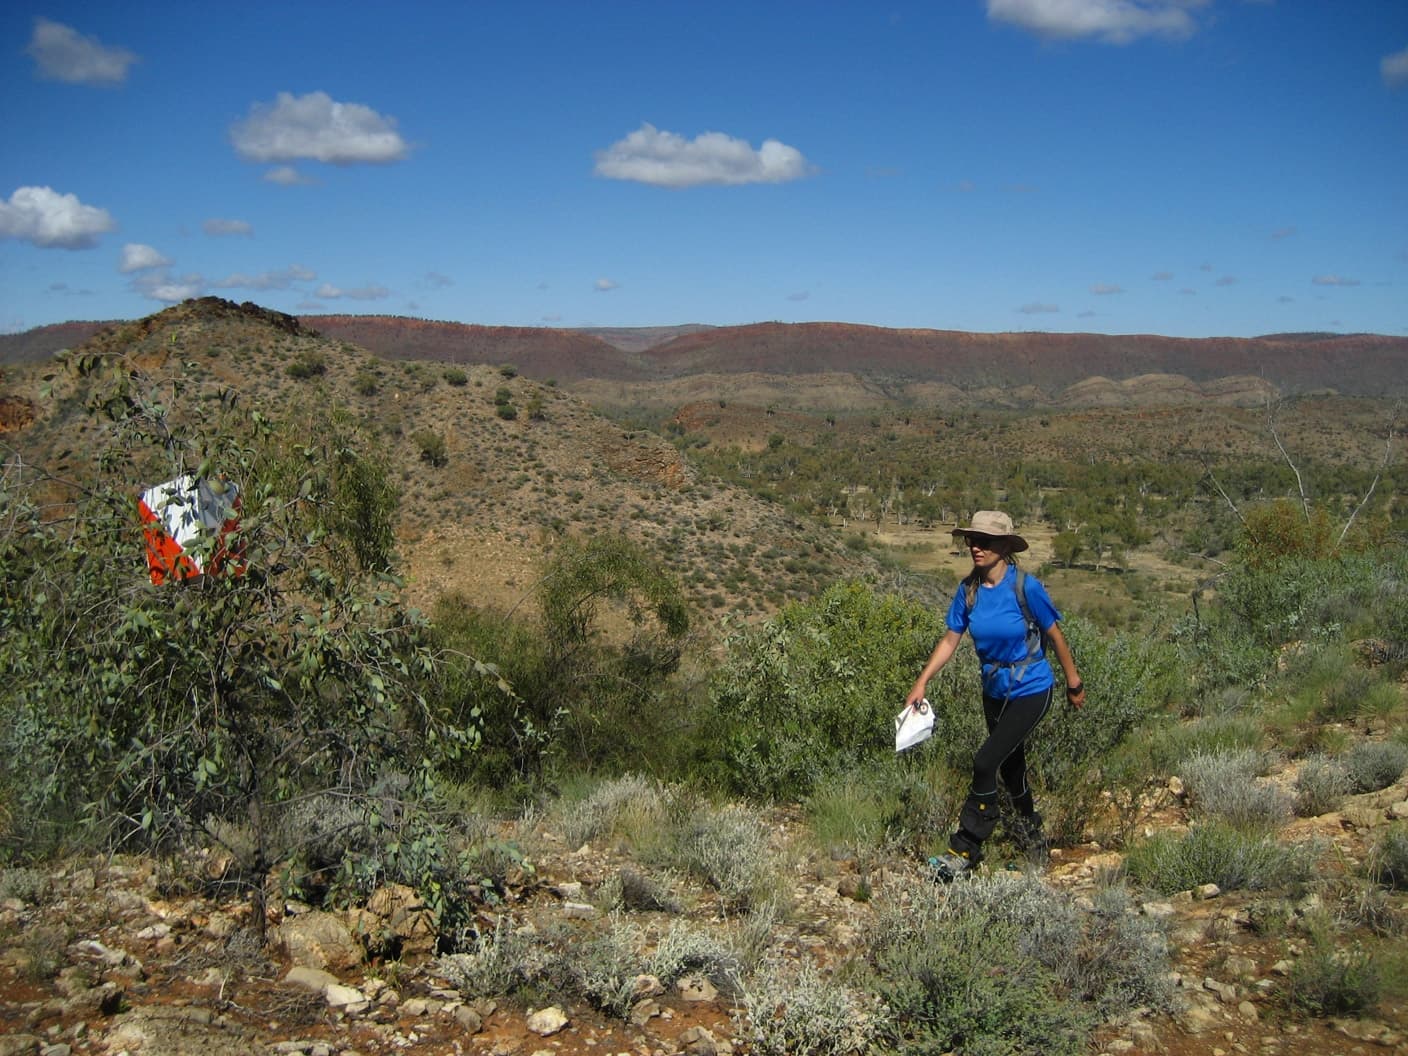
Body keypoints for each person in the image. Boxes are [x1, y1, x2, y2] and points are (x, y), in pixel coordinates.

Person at [905, 510, 1085, 880]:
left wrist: (1073, 682)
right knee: (1011, 766)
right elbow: (950, 640)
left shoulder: (1025, 587)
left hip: (1033, 688)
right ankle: (1031, 839)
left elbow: (1054, 635)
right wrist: (922, 681)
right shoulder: (968, 591)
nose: (976, 547)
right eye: (972, 540)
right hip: (994, 691)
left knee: (985, 761)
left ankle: (965, 849)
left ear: (1004, 547)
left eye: (984, 541)